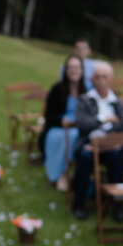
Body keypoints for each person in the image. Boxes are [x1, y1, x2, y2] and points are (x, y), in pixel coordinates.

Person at [73, 61, 123, 221]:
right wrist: (105, 120)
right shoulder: (84, 100)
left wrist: (108, 134)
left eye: (104, 77)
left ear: (111, 79)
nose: (101, 80)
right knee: (85, 157)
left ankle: (118, 205)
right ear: (92, 79)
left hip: (113, 147)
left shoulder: (119, 102)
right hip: (89, 145)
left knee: (117, 158)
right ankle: (79, 203)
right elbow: (82, 124)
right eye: (98, 77)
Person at [39, 55, 85, 192]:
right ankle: (60, 173)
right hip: (58, 128)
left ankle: (69, 172)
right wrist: (61, 121)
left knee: (74, 135)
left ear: (82, 70)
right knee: (60, 137)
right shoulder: (57, 89)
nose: (73, 70)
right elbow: (49, 116)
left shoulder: (86, 90)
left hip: (79, 127)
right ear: (66, 70)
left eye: (76, 67)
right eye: (70, 67)